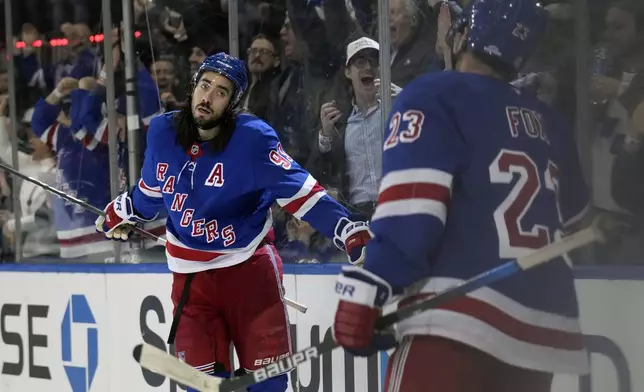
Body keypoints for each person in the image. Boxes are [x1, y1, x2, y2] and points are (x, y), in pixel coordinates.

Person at [332, 1, 590, 391]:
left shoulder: (435, 94)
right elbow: (576, 222)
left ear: (464, 35)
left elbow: (411, 215)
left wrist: (369, 285)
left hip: (455, 320)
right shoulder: (548, 119)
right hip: (542, 336)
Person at [94, 52, 370, 392]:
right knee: (201, 385)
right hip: (192, 285)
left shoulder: (253, 139)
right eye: (205, 85)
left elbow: (300, 191)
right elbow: (152, 192)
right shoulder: (163, 133)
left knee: (268, 385)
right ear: (193, 86)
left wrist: (344, 228)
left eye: (221, 91)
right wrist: (124, 210)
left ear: (233, 103)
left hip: (250, 274)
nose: (208, 97)